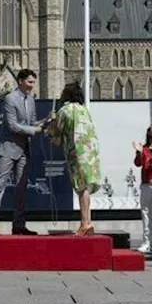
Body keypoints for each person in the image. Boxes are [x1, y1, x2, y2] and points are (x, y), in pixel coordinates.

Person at [0, 68, 48, 236]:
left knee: (21, 188)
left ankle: (19, 225)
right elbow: (12, 125)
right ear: (20, 81)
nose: (32, 86)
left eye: (34, 82)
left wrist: (47, 121)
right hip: (8, 149)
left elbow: (32, 123)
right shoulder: (10, 99)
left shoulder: (31, 100)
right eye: (30, 82)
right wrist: (34, 130)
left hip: (24, 150)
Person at [45, 80, 101, 235]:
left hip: (77, 152)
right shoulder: (84, 110)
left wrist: (51, 122)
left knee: (81, 187)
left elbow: (56, 134)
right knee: (86, 188)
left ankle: (84, 223)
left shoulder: (65, 110)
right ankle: (87, 221)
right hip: (91, 153)